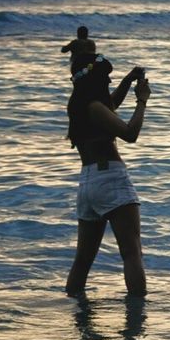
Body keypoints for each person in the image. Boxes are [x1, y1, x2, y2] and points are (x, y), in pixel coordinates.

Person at [64, 54, 150, 297]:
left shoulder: (81, 106)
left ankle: (76, 317)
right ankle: (136, 321)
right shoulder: (95, 108)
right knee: (132, 253)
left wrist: (128, 80)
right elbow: (130, 133)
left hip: (88, 183)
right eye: (107, 78)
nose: (110, 82)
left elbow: (110, 105)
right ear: (96, 82)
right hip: (111, 179)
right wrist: (142, 101)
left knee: (82, 261)